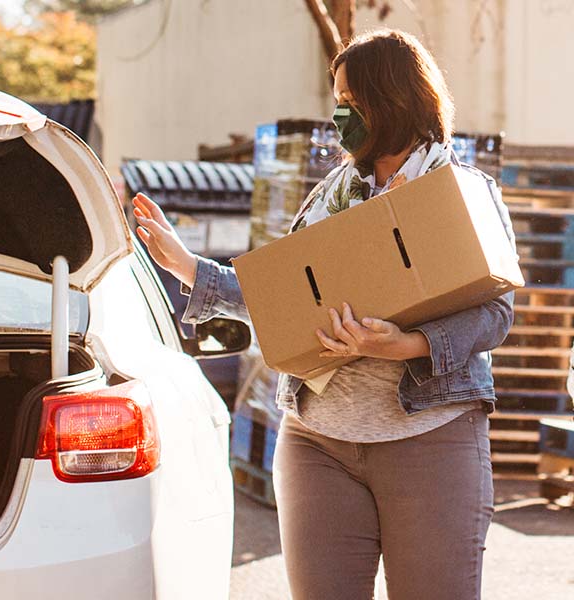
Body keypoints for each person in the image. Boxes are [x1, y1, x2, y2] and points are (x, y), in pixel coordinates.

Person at [133, 29, 516, 600]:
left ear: (395, 99)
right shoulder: (328, 198)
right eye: (337, 100)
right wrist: (189, 266)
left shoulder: (460, 194)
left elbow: (496, 312)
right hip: (316, 441)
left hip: (430, 437)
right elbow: (283, 297)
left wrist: (405, 344)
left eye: (350, 102)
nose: (339, 115)